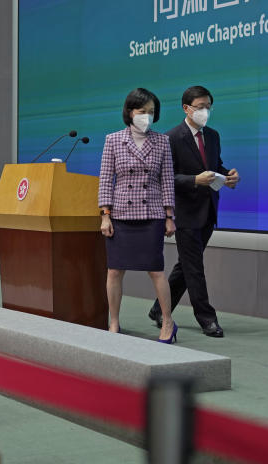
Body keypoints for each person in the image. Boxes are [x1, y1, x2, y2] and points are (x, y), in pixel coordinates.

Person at [148, 86, 239, 338]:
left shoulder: (213, 136)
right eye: (200, 106)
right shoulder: (171, 138)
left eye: (208, 106)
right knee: (194, 266)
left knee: (187, 265)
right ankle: (207, 318)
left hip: (209, 209)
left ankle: (158, 309)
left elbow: (215, 166)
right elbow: (165, 177)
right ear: (186, 108)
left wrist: (228, 175)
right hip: (185, 211)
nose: (205, 111)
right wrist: (194, 180)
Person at [98, 88, 177, 342]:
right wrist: (105, 214)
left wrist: (169, 215)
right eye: (142, 111)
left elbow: (167, 181)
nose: (147, 116)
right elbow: (105, 179)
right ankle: (114, 322)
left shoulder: (162, 141)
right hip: (120, 213)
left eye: (151, 112)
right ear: (130, 112)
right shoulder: (112, 140)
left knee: (156, 271)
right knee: (114, 271)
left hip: (151, 213)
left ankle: (168, 321)